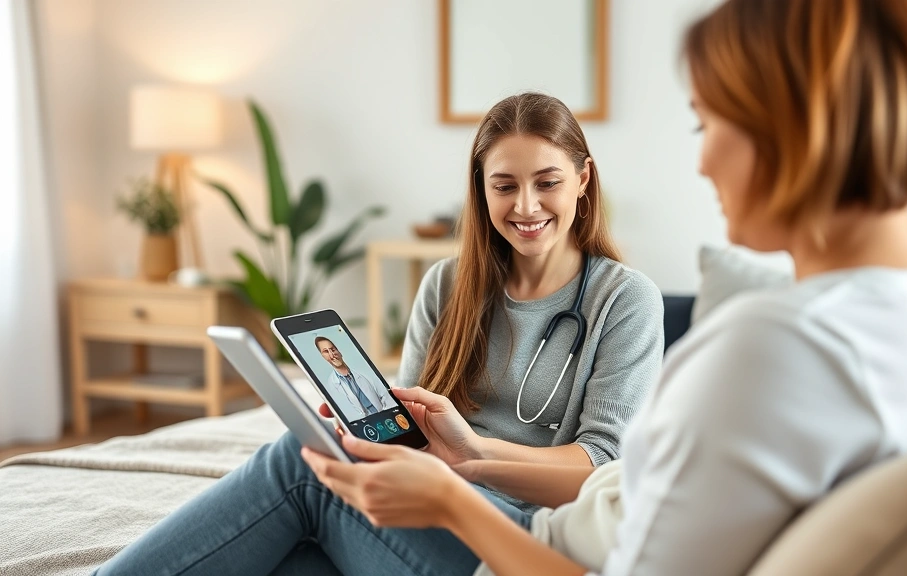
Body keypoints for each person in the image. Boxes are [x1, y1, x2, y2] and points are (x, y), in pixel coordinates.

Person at [305, 0, 907, 574]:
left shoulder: (771, 348)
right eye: (504, 185)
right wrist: (469, 458)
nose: (702, 159)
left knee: (295, 472)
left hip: (526, 545)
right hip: (535, 521)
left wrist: (450, 497)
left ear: (795, 128)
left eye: (708, 123)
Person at [96, 93, 664, 575]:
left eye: (548, 182)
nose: (525, 205)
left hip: (518, 536)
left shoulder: (623, 300)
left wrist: (470, 458)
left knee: (298, 466)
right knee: (296, 552)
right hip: (429, 505)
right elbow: (409, 435)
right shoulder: (447, 285)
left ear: (584, 179)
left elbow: (603, 468)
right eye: (504, 186)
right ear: (481, 190)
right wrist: (361, 427)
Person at [314, 336, 397, 420]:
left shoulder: (364, 371)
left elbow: (386, 396)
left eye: (333, 349)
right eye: (326, 351)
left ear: (339, 352)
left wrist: (389, 415)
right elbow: (349, 413)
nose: (332, 355)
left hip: (387, 417)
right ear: (323, 357)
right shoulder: (332, 384)